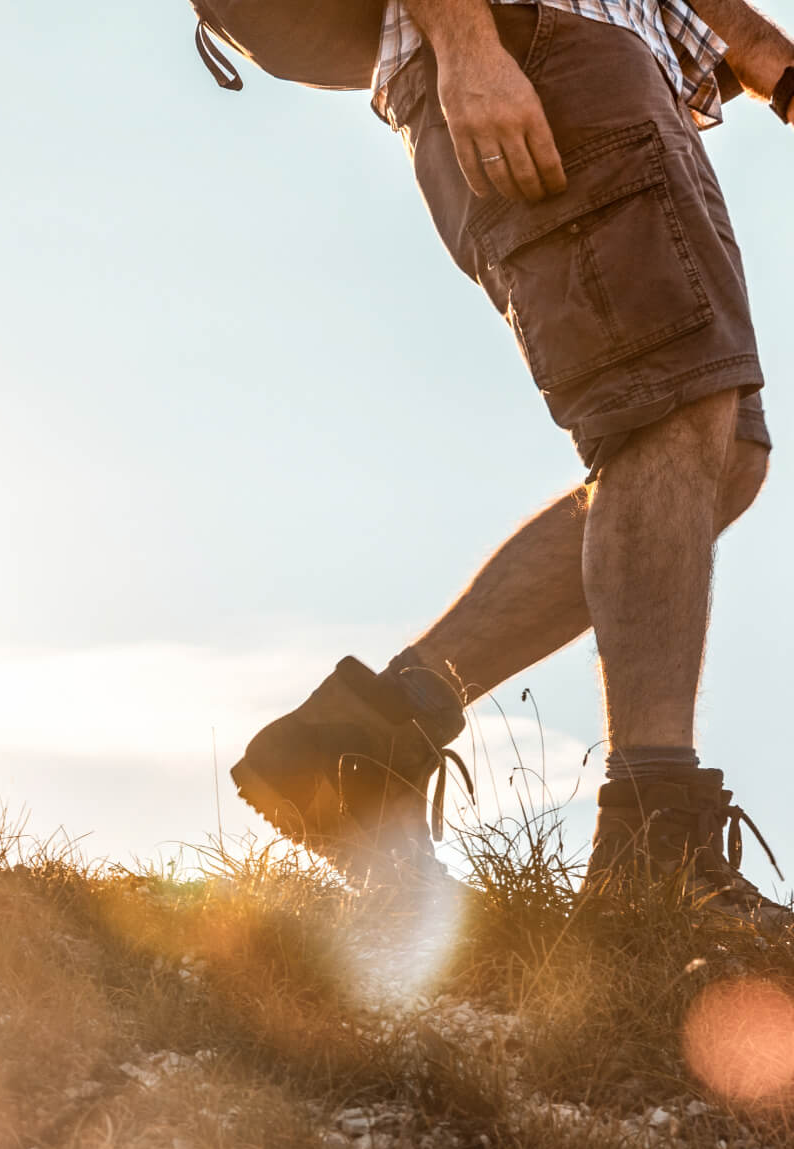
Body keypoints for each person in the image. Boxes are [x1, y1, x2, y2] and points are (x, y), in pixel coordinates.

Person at [231, 0, 794, 924]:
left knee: (719, 450)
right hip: (538, 46)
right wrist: (468, 45)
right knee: (672, 417)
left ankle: (366, 735)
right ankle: (654, 850)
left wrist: (767, 59)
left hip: (597, 62)